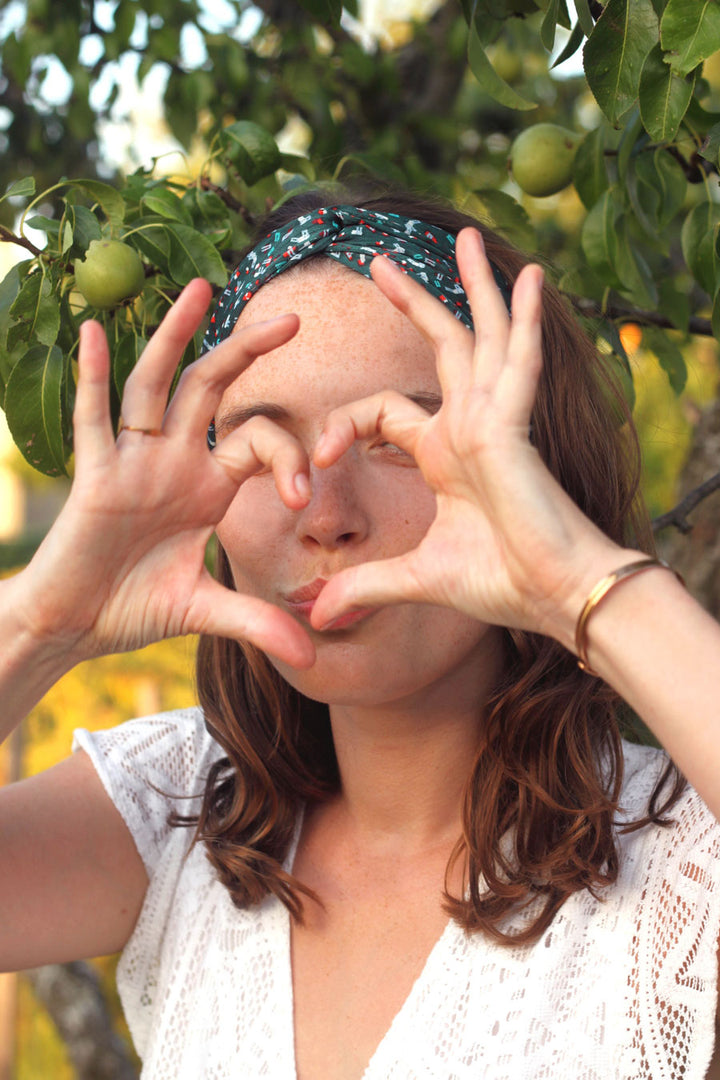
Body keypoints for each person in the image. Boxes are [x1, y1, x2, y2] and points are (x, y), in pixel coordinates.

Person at [1, 187, 719, 1080]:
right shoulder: (180, 816)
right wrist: (42, 622)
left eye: (400, 438)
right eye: (263, 446)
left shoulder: (684, 859)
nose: (324, 514)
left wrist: (575, 578)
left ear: (534, 465)